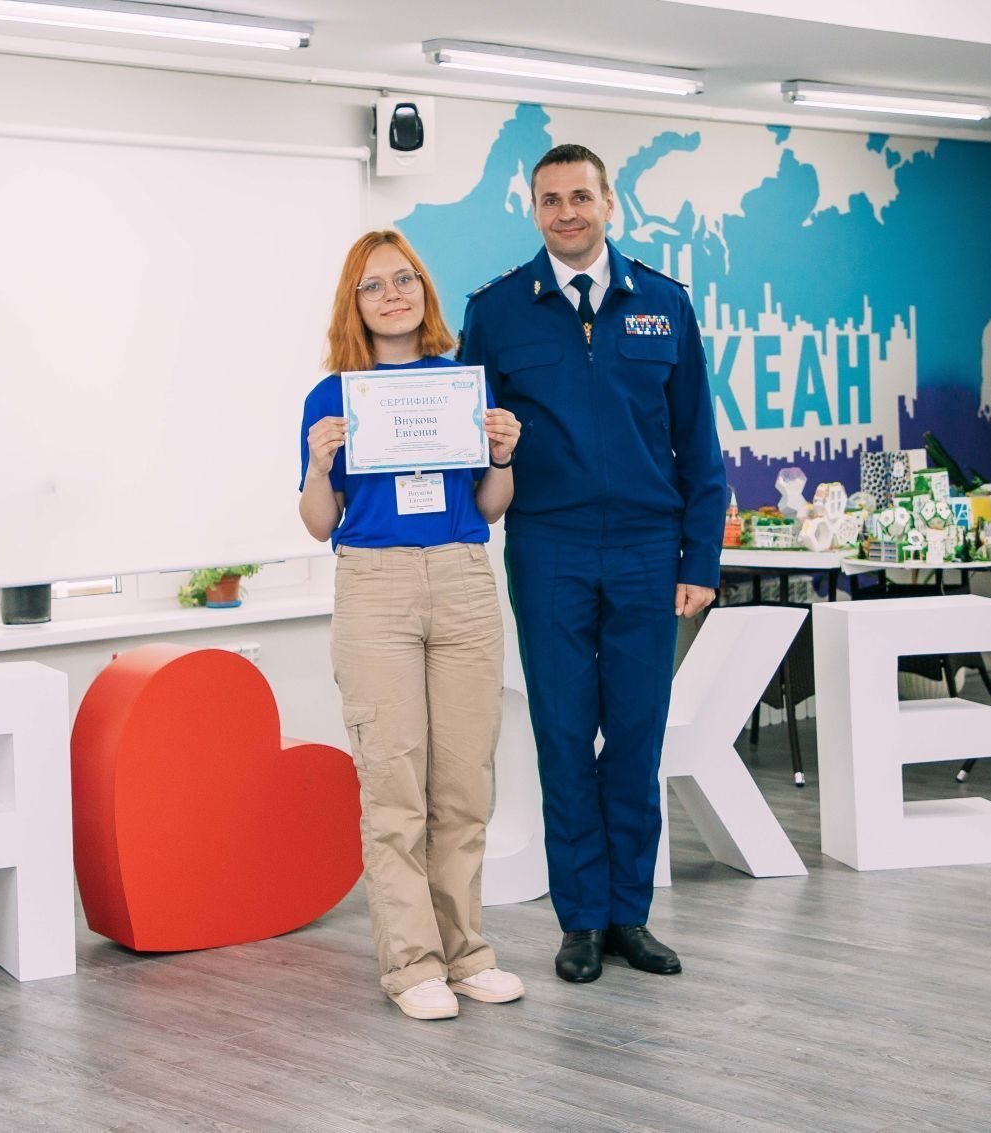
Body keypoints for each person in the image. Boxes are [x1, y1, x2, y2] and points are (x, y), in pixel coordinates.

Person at [459, 144, 727, 984]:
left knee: (638, 735)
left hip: (649, 549)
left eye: (580, 196)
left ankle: (628, 915)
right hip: (549, 548)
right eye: (550, 199)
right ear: (533, 210)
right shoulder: (497, 311)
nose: (566, 212)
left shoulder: (664, 304)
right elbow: (469, 439)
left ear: (610, 202)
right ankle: (580, 920)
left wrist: (700, 557)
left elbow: (700, 444)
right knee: (565, 734)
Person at [299, 230, 523, 1020]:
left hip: (462, 577)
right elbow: (319, 523)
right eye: (373, 285)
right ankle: (412, 965)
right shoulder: (332, 397)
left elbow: (489, 508)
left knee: (464, 784)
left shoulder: (463, 386)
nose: (392, 295)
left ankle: (467, 954)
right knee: (393, 786)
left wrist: (503, 457)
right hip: (375, 587)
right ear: (353, 304)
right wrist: (319, 467)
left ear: (424, 291)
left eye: (405, 279)